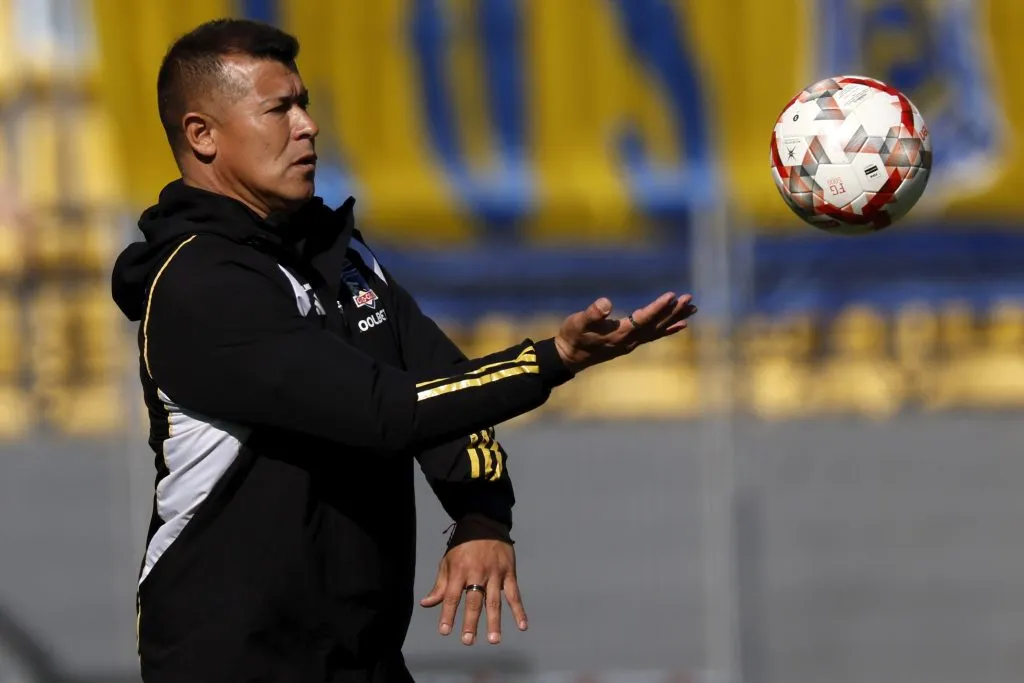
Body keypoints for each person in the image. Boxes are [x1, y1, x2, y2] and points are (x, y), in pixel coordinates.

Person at [110, 18, 697, 683]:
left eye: (304, 103)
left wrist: (480, 512)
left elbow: (439, 379)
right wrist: (552, 358)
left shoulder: (342, 254)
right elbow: (384, 410)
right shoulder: (199, 285)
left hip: (362, 656)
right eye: (280, 108)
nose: (307, 126)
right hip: (235, 661)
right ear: (202, 134)